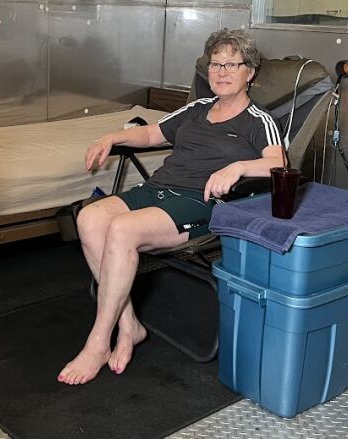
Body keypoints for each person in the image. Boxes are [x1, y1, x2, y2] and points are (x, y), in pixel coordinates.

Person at [58, 28, 284, 385]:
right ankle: (128, 324)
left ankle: (98, 342)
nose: (221, 72)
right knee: (89, 218)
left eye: (231, 64)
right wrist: (111, 136)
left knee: (121, 229)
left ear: (249, 72)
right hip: (158, 190)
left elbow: (279, 164)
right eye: (215, 65)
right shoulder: (197, 109)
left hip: (200, 201)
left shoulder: (259, 121)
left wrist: (238, 167)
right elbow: (151, 134)